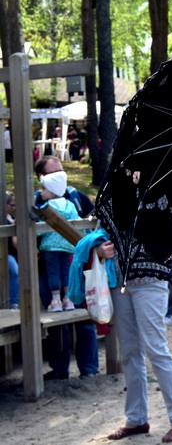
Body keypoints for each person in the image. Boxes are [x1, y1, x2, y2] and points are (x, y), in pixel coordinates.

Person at [34, 155, 98, 380]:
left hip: (76, 265)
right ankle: (60, 368)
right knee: (55, 318)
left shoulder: (76, 197)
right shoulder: (37, 200)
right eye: (54, 172)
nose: (61, 175)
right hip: (47, 266)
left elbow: (93, 219)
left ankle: (88, 368)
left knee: (84, 316)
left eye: (61, 170)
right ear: (41, 177)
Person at [107, 274, 172, 442]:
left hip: (150, 277)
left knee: (157, 350)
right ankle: (136, 419)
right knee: (129, 353)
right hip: (118, 281)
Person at [36, 170, 80, 312]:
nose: (41, 192)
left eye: (44, 189)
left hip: (50, 246)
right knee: (66, 272)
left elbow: (39, 228)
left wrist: (34, 233)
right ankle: (68, 299)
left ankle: (56, 300)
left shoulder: (46, 208)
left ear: (52, 191)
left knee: (53, 273)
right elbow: (77, 222)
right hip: (68, 244)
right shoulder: (70, 205)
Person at [5, 191, 19, 309]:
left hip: (14, 253)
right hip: (5, 253)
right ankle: (13, 302)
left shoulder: (12, 218)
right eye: (11, 205)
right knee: (15, 271)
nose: (14, 208)